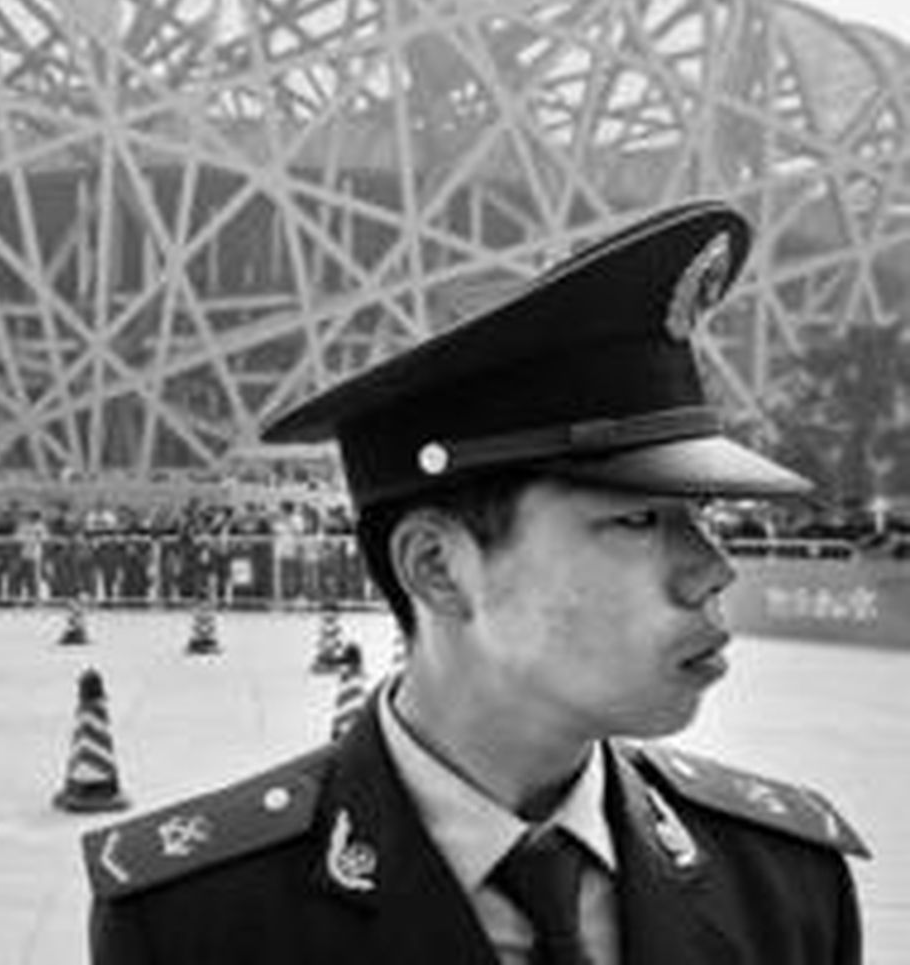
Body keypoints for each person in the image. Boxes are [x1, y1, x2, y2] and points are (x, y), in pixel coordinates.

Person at [83, 202, 869, 963]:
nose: (713, 568)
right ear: (437, 567)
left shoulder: (785, 889)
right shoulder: (200, 924)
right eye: (636, 522)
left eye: (700, 515)